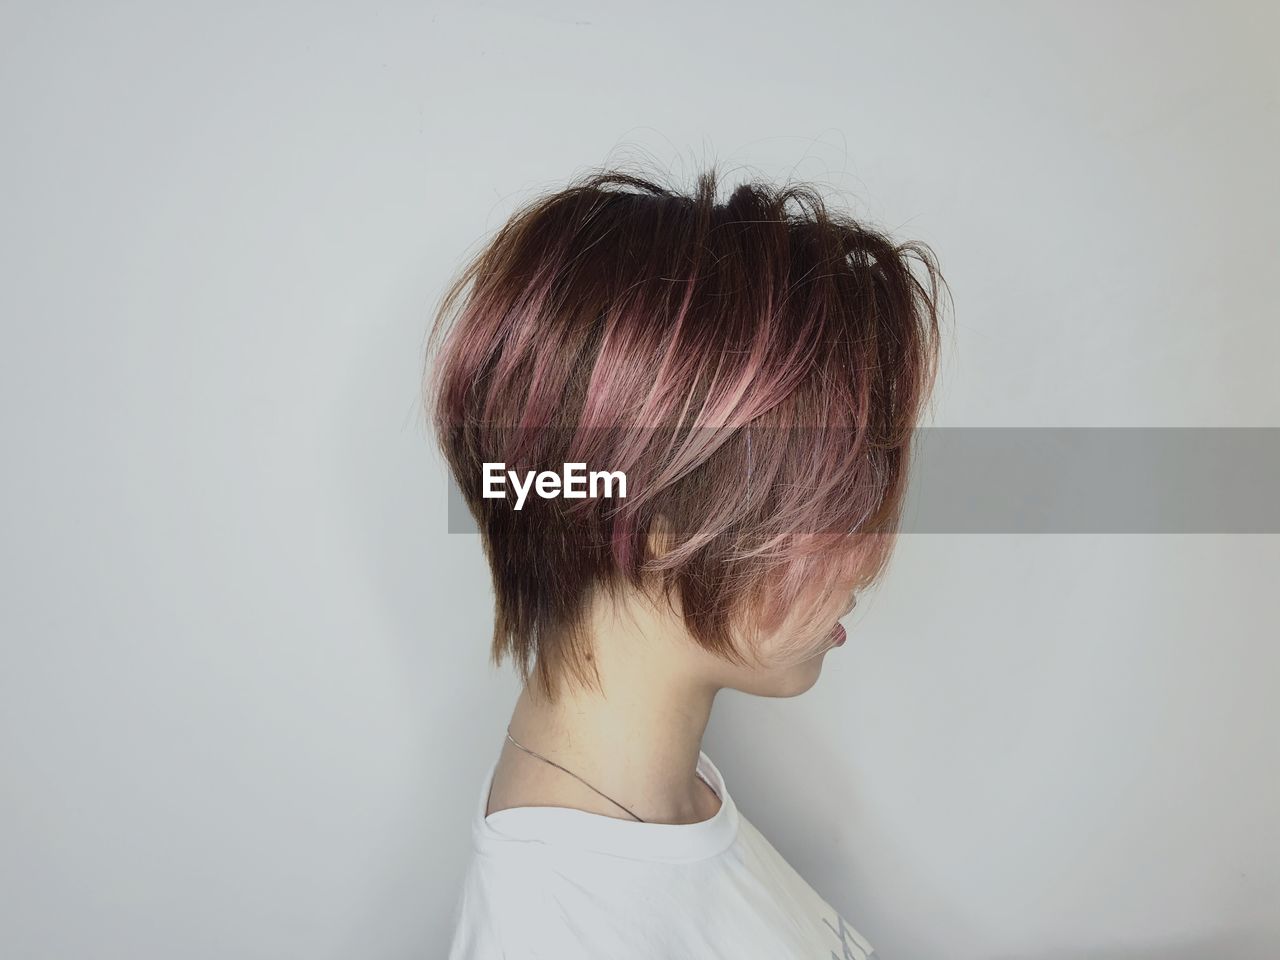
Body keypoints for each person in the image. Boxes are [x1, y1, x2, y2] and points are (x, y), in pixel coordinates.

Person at [427, 166, 943, 959]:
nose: (868, 559)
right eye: (835, 503)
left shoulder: (660, 796)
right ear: (661, 522)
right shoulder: (562, 933)